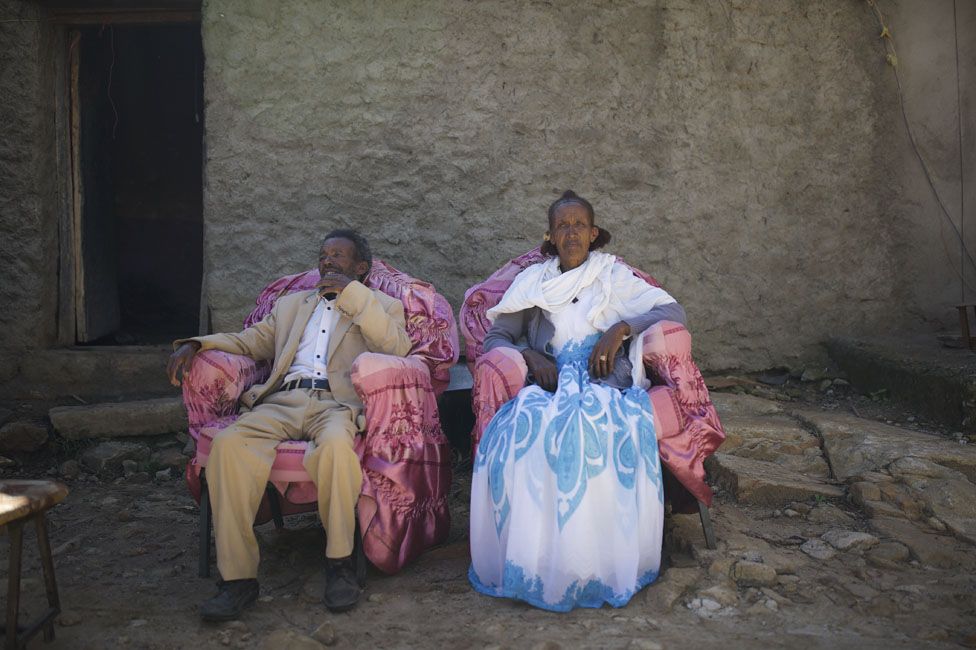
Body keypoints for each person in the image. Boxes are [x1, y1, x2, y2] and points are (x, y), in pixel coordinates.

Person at [167, 229, 411, 620]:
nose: (328, 261)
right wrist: (197, 344)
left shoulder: (380, 304)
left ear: (361, 268)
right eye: (323, 254)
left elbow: (396, 348)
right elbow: (248, 342)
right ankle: (238, 581)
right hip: (282, 401)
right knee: (229, 446)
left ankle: (339, 563)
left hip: (335, 405)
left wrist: (354, 297)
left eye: (339, 255)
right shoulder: (292, 305)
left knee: (335, 450)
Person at [468, 190, 686, 612]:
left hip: (606, 383)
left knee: (596, 431)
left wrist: (622, 328)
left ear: (593, 233)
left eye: (579, 225)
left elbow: (673, 314)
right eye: (562, 226)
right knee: (520, 433)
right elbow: (496, 337)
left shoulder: (613, 276)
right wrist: (530, 355)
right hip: (548, 384)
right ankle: (538, 563)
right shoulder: (534, 282)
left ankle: (595, 567)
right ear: (550, 236)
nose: (571, 233)